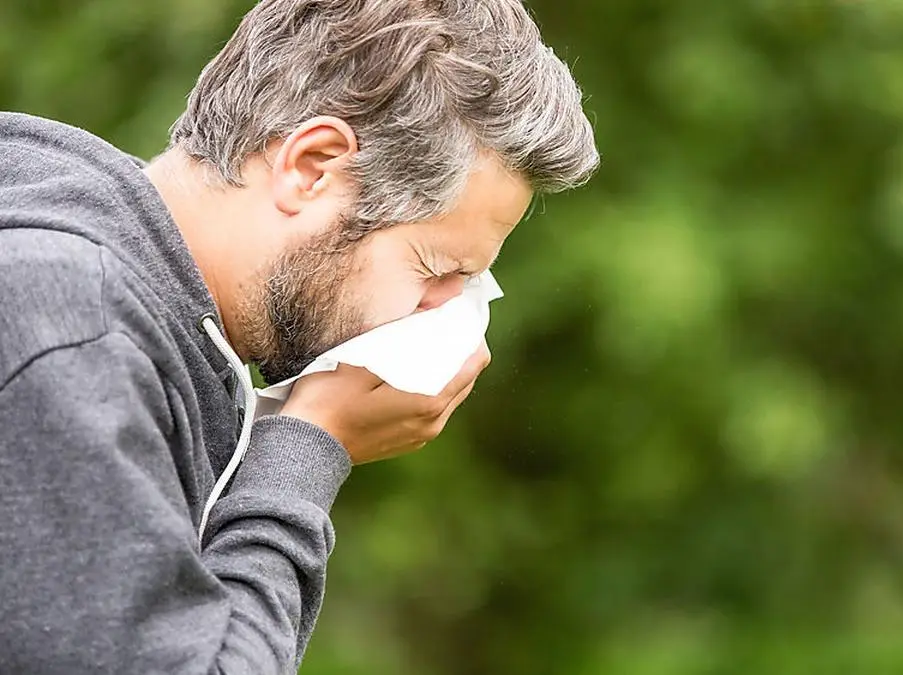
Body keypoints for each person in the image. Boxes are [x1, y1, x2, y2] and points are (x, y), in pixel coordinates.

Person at [0, 0, 598, 672]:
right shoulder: (74, 329)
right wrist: (309, 444)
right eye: (438, 269)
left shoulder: (137, 311)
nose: (443, 313)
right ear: (312, 166)